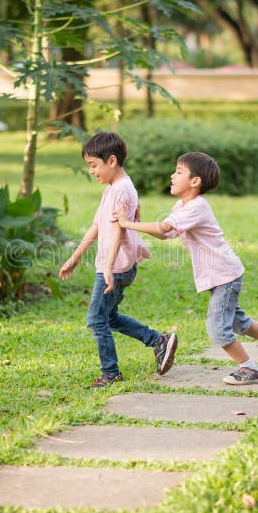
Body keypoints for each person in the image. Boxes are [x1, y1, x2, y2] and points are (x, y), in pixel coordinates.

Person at [115, 152, 258, 385]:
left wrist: (127, 223)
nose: (172, 176)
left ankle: (250, 369)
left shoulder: (197, 207)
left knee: (217, 329)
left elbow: (163, 227)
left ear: (195, 181)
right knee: (238, 323)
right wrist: (136, 224)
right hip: (220, 274)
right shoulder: (183, 205)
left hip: (224, 275)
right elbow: (166, 233)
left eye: (179, 172)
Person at [59, 132, 178, 388]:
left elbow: (117, 231)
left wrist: (109, 267)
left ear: (111, 160)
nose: (91, 171)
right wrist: (74, 258)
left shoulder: (121, 190)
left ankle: (110, 373)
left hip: (115, 266)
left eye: (93, 165)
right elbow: (96, 225)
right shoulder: (114, 188)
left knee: (96, 319)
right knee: (109, 317)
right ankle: (158, 340)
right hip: (116, 265)